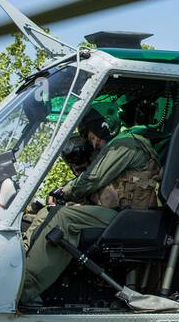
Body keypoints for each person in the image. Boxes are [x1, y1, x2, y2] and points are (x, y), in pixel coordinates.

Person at [20, 108, 161, 308]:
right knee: (47, 212)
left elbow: (92, 179)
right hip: (122, 215)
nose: (94, 143)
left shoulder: (125, 144)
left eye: (93, 137)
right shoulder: (119, 145)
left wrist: (63, 191)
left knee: (63, 219)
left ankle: (23, 289)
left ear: (101, 127)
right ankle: (20, 264)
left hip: (132, 218)